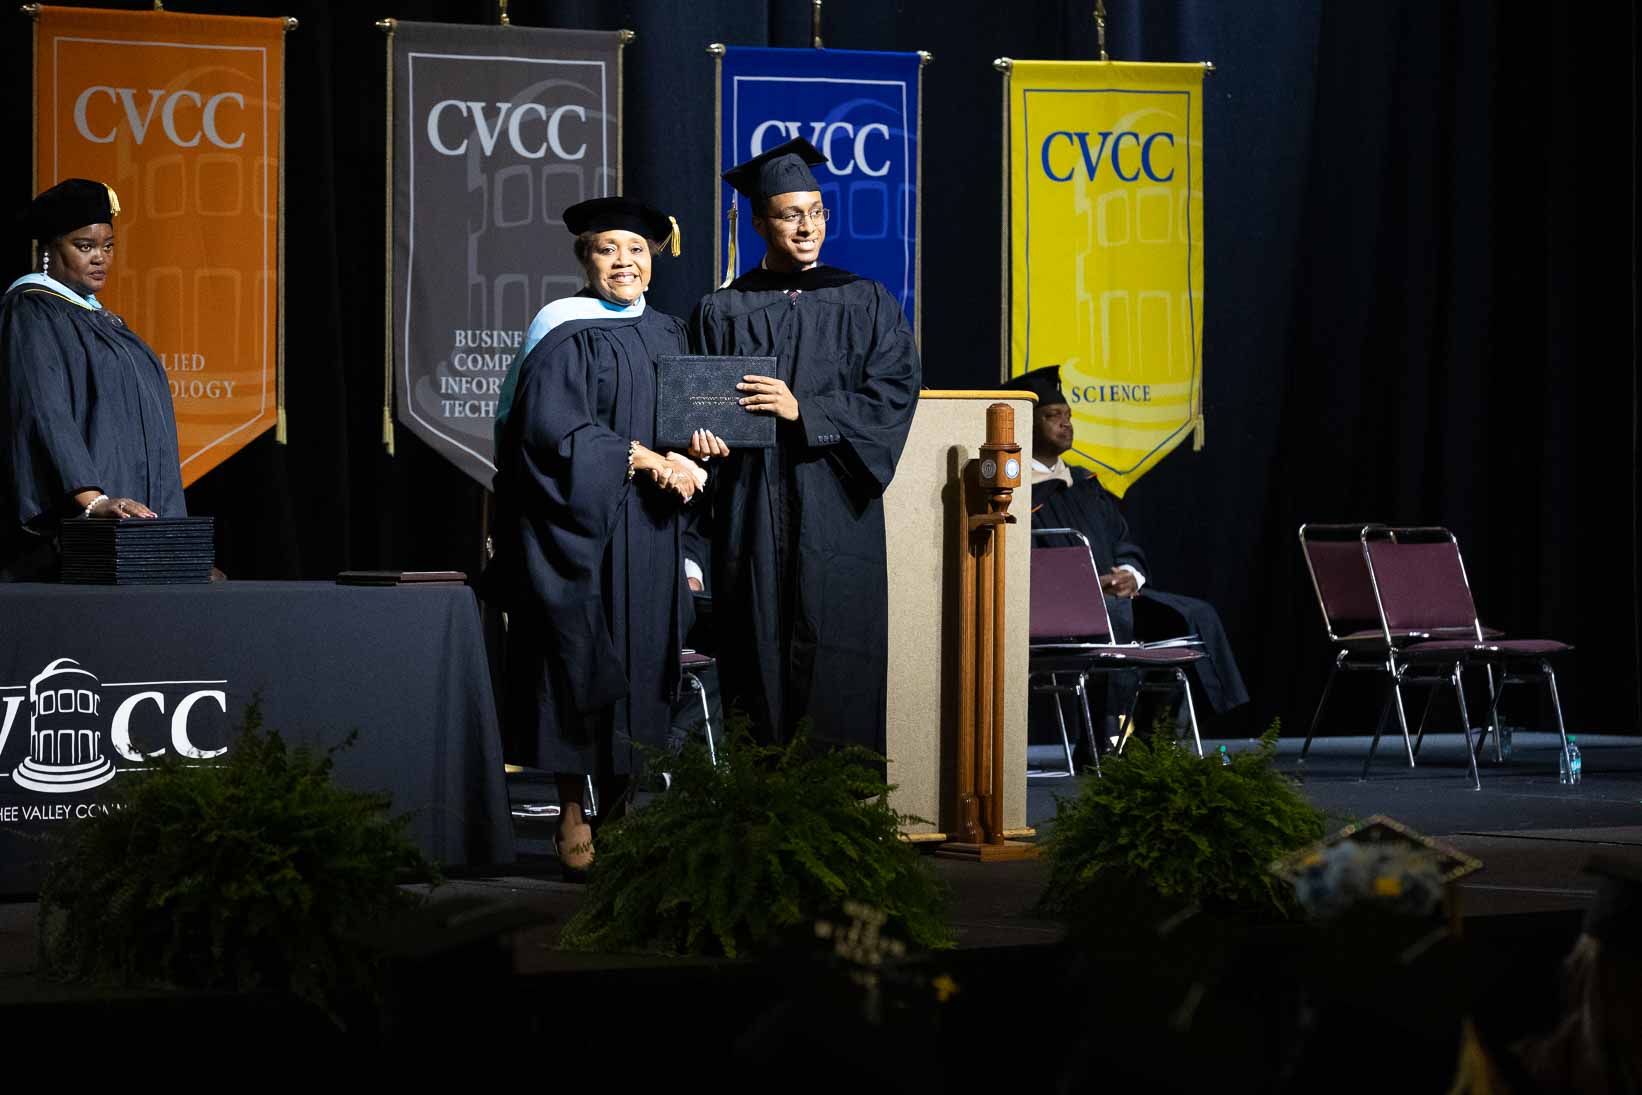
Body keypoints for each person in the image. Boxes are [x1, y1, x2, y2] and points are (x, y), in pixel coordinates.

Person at [484, 196, 702, 876]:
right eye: (609, 250)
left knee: (641, 667)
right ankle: (571, 808)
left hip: (651, 532)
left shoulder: (668, 333)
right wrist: (643, 458)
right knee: (571, 666)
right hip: (574, 535)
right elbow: (550, 432)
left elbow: (684, 424)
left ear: (654, 259)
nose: (624, 262)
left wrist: (696, 452)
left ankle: (621, 810)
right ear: (586, 259)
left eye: (637, 250)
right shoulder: (562, 329)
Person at [687, 138, 921, 752]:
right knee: (754, 644)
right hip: (749, 506)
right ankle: (760, 796)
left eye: (816, 212)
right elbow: (697, 406)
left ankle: (832, 798)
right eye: (790, 215)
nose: (807, 227)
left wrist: (805, 410)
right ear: (760, 223)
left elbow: (895, 392)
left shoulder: (867, 301)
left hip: (834, 503)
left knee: (835, 648)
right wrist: (699, 440)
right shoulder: (721, 310)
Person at [1006, 365, 1248, 737]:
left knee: (1189, 616)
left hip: (1115, 601)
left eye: (1068, 415)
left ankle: (1158, 739)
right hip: (1061, 612)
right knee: (1119, 619)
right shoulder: (1015, 491)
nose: (1066, 424)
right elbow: (1027, 565)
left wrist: (1130, 574)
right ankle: (1105, 740)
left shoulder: (1085, 483)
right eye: (1053, 416)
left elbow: (1123, 539)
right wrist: (1091, 586)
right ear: (1027, 424)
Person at [1, 178, 183, 580]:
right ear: (49, 250)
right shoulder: (32, 312)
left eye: (108, 246)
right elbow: (45, 412)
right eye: (84, 246)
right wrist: (93, 501)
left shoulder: (98, 318)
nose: (100, 258)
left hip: (132, 529)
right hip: (79, 536)